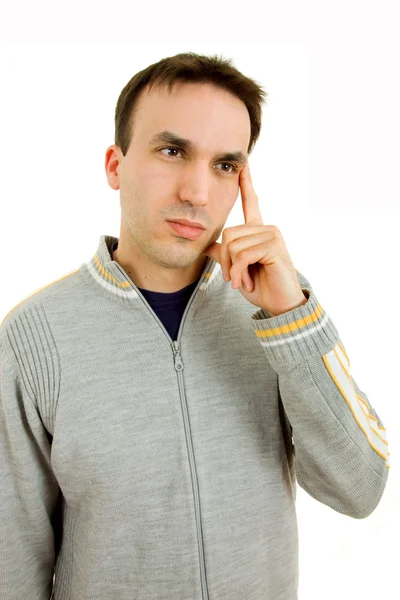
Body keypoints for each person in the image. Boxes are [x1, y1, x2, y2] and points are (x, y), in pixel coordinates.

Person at [0, 52, 390, 600]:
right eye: (172, 150)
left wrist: (292, 320)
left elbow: (361, 489)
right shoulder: (33, 337)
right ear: (115, 164)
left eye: (225, 165)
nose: (197, 193)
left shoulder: (281, 311)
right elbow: (12, 565)